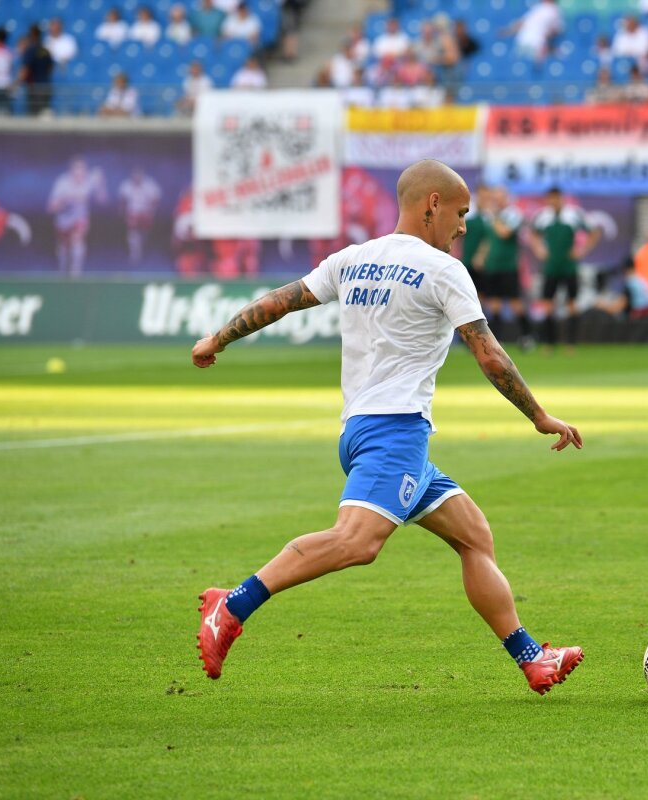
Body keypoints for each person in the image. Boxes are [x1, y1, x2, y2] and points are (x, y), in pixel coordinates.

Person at [190, 159, 585, 695]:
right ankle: (232, 605)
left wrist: (218, 338)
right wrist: (539, 416)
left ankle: (531, 657)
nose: (463, 226)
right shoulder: (444, 270)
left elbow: (281, 301)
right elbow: (490, 354)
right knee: (357, 542)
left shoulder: (353, 259)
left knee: (473, 536)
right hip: (394, 433)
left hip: (363, 431)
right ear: (432, 204)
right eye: (461, 213)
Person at [528, 187, 600, 351]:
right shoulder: (543, 216)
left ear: (562, 198)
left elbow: (594, 231)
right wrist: (538, 249)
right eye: (551, 198)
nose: (554, 201)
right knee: (547, 304)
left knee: (572, 304)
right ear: (548, 199)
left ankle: (571, 343)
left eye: (557, 198)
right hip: (551, 266)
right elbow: (533, 234)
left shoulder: (574, 214)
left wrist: (582, 250)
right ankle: (549, 343)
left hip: (569, 266)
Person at [476, 187, 533, 347]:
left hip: (508, 266)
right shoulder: (491, 217)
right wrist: (481, 256)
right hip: (492, 265)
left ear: (506, 198)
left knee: (515, 303)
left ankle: (527, 336)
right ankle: (497, 341)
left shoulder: (513, 214)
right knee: (494, 304)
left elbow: (504, 233)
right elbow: (488, 239)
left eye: (499, 198)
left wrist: (494, 216)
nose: (496, 201)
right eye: (494, 198)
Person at [47, 157, 107, 276]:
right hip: (63, 221)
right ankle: (63, 272)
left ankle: (76, 275)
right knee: (63, 250)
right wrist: (68, 199)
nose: (79, 173)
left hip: (80, 219)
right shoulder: (62, 183)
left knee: (77, 243)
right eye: (76, 169)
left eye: (82, 169)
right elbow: (50, 208)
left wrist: (101, 184)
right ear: (71, 171)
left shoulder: (90, 180)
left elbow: (102, 200)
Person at [118, 168, 162, 264]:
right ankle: (135, 253)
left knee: (143, 233)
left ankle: (141, 246)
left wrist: (152, 212)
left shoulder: (150, 184)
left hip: (146, 211)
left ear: (142, 176)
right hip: (132, 211)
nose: (137, 179)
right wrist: (123, 213)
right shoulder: (126, 185)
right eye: (135, 177)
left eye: (139, 177)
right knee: (133, 233)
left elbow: (156, 199)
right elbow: (122, 200)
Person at [19, 24, 53, 117]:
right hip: (45, 86)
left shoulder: (30, 50)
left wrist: (16, 83)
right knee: (43, 114)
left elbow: (25, 69)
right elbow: (50, 68)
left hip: (34, 88)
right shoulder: (45, 50)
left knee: (33, 115)